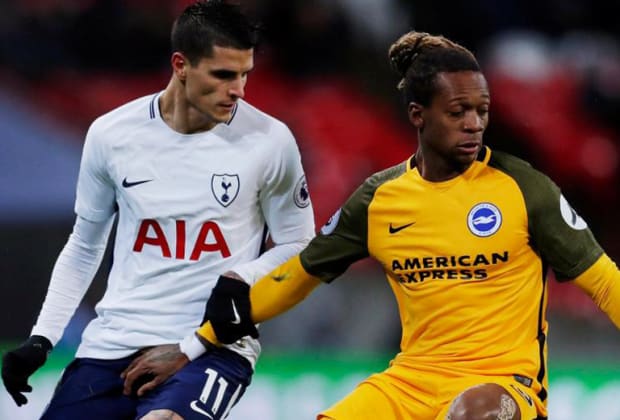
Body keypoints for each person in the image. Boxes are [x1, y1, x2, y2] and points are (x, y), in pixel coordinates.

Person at [193, 31, 620, 419]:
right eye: (458, 112)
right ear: (418, 115)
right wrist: (209, 335)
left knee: (476, 414)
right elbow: (301, 274)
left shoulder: (524, 188)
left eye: (481, 111)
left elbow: (604, 282)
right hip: (411, 382)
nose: (474, 124)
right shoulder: (379, 198)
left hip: (503, 387)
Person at [0, 1, 315, 419]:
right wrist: (42, 338)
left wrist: (244, 276)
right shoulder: (112, 135)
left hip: (213, 347)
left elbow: (300, 243)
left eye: (245, 74)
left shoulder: (270, 141)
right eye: (223, 75)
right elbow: (85, 245)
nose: (238, 90)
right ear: (181, 65)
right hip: (112, 344)